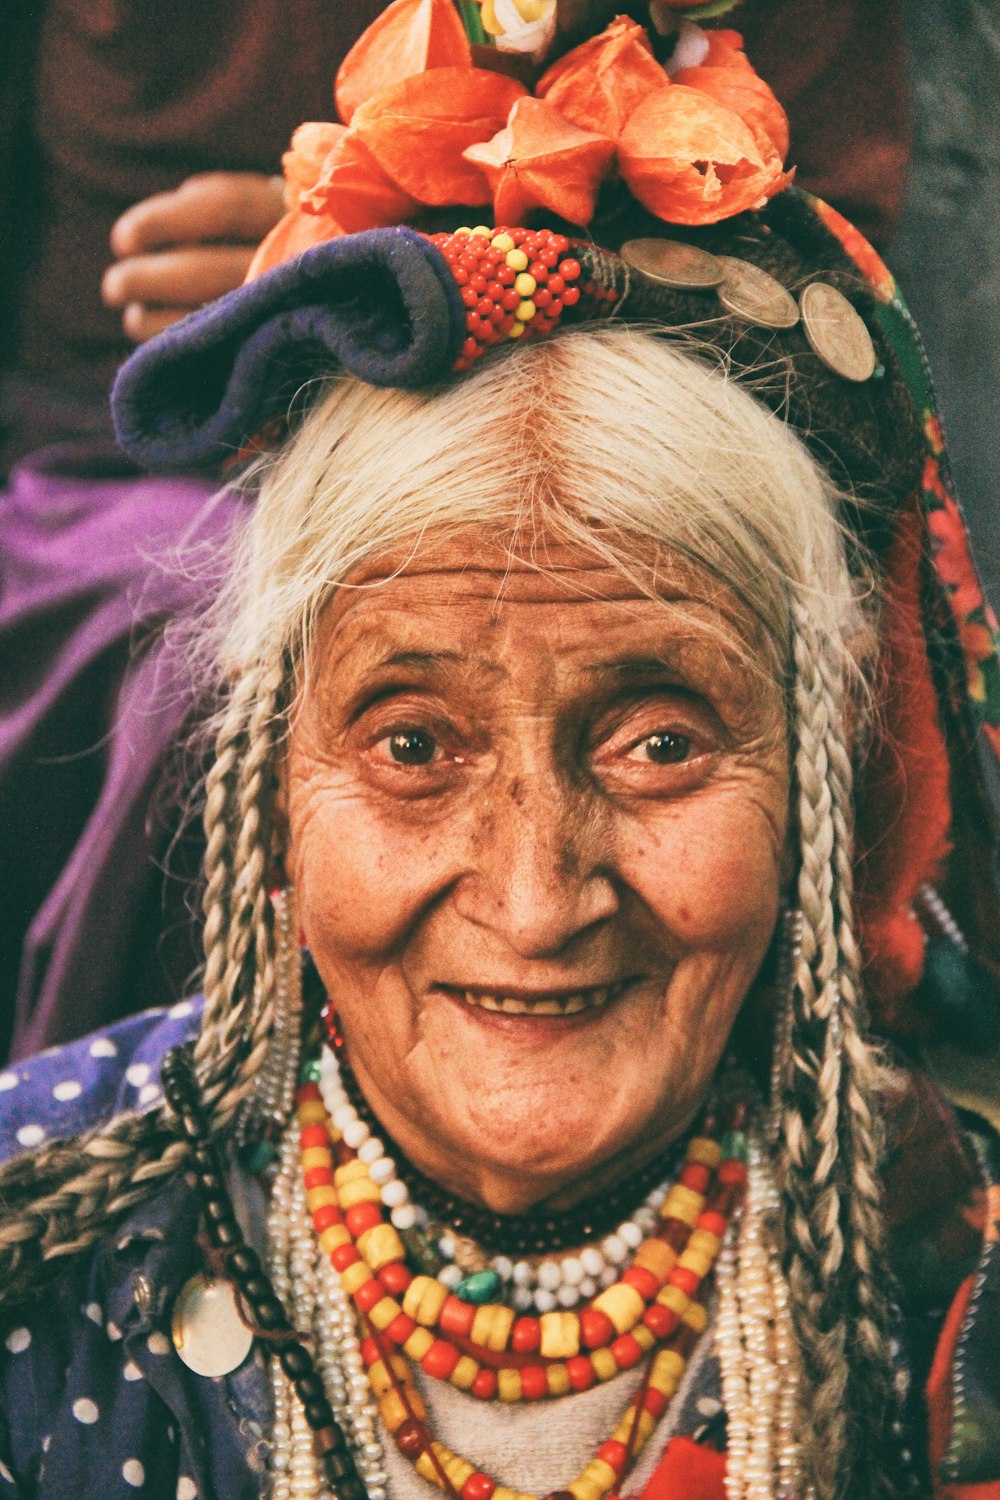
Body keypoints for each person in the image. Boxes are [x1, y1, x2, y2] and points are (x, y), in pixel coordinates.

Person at [1, 6, 998, 1500]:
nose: (535, 903)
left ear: (818, 775)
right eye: (411, 744)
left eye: (660, 743)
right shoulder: (41, 1243)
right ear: (272, 784)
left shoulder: (944, 1289)